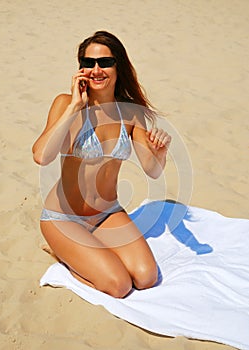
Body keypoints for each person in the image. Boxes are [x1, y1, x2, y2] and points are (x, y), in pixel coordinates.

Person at [32, 31, 171, 298]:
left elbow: (152, 170)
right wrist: (75, 106)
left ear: (118, 67)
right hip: (64, 218)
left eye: (105, 63)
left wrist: (160, 153)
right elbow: (41, 156)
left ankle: (83, 253)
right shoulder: (65, 104)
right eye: (89, 62)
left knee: (146, 278)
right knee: (119, 285)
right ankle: (63, 254)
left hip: (107, 214)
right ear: (81, 68)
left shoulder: (130, 113)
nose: (97, 69)